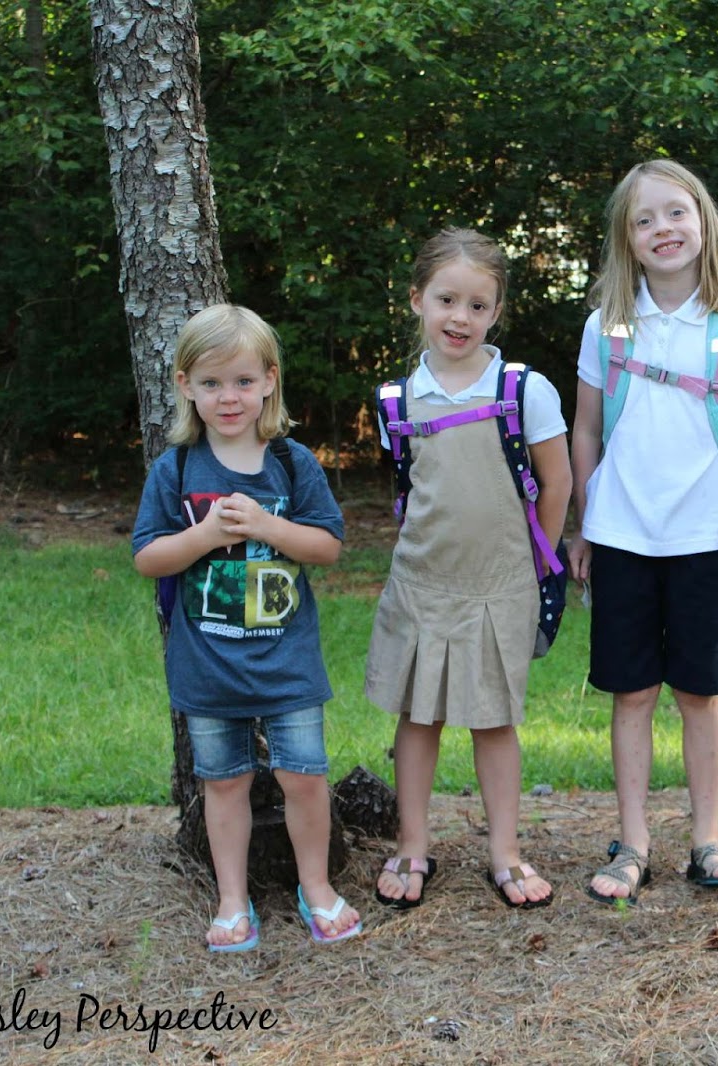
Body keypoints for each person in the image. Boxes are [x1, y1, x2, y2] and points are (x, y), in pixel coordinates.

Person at [567, 159, 718, 904]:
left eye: (676, 212)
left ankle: (708, 840)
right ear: (626, 238)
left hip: (706, 537)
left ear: (703, 223)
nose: (663, 229)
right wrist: (585, 524)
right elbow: (585, 429)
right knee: (632, 694)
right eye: (645, 219)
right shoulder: (608, 326)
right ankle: (633, 843)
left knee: (698, 693)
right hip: (623, 535)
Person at [132, 303, 361, 950]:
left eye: (241, 381)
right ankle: (233, 901)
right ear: (185, 386)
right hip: (208, 662)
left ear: (268, 381)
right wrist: (204, 536)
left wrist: (266, 525)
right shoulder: (177, 469)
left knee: (304, 777)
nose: (227, 397)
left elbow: (327, 546)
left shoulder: (291, 462)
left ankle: (316, 887)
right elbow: (148, 558)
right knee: (224, 781)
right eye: (210, 383)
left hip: (288, 661)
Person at [365, 228, 571, 910]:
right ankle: (412, 845)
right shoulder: (395, 401)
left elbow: (557, 481)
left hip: (501, 586)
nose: (460, 317)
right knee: (417, 717)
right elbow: (410, 488)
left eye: (477, 305)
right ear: (417, 299)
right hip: (422, 583)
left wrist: (536, 567)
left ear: (496, 311)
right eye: (446, 300)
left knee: (494, 721)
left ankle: (505, 852)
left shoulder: (523, 390)